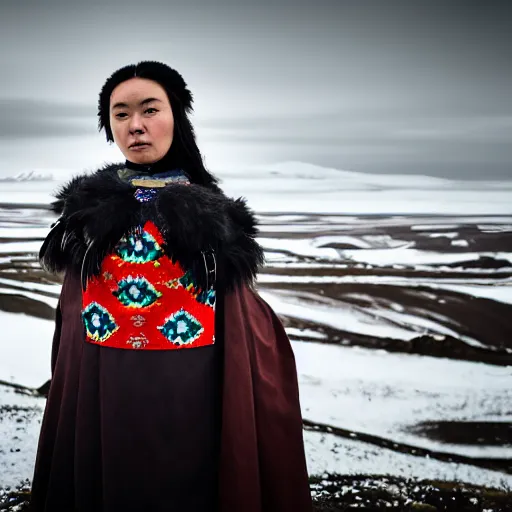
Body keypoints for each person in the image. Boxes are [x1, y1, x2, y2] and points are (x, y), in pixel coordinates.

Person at [30, 61, 312, 512]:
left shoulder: (209, 215)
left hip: (192, 391)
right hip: (104, 387)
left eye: (149, 109)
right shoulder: (87, 213)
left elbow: (238, 315)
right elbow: (72, 310)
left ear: (177, 115)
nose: (136, 125)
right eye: (120, 114)